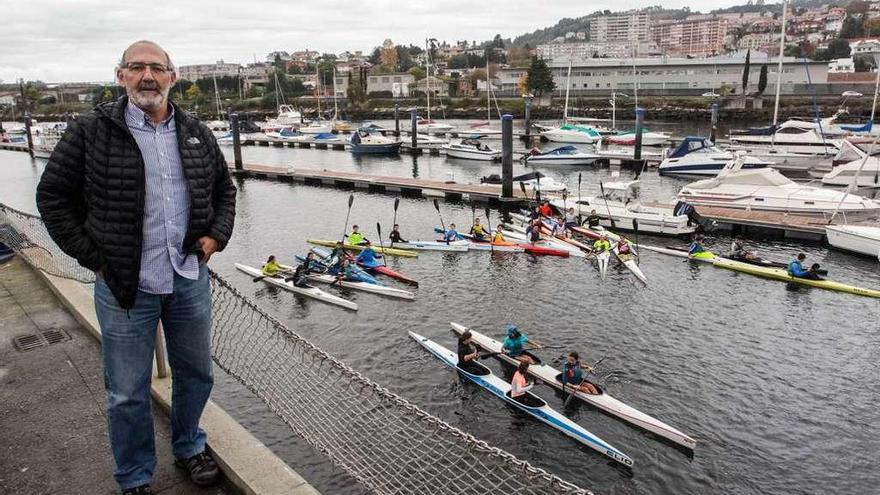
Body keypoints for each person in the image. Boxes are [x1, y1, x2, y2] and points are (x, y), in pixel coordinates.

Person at [36, 41, 234, 493]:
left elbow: (225, 189)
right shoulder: (90, 131)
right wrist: (94, 256)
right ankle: (135, 477)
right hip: (126, 285)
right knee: (126, 392)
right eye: (137, 67)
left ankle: (189, 447)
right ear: (121, 75)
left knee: (197, 374)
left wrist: (215, 237)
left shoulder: (196, 131)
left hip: (187, 278)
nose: (148, 76)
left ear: (172, 77)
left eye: (157, 68)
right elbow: (52, 198)